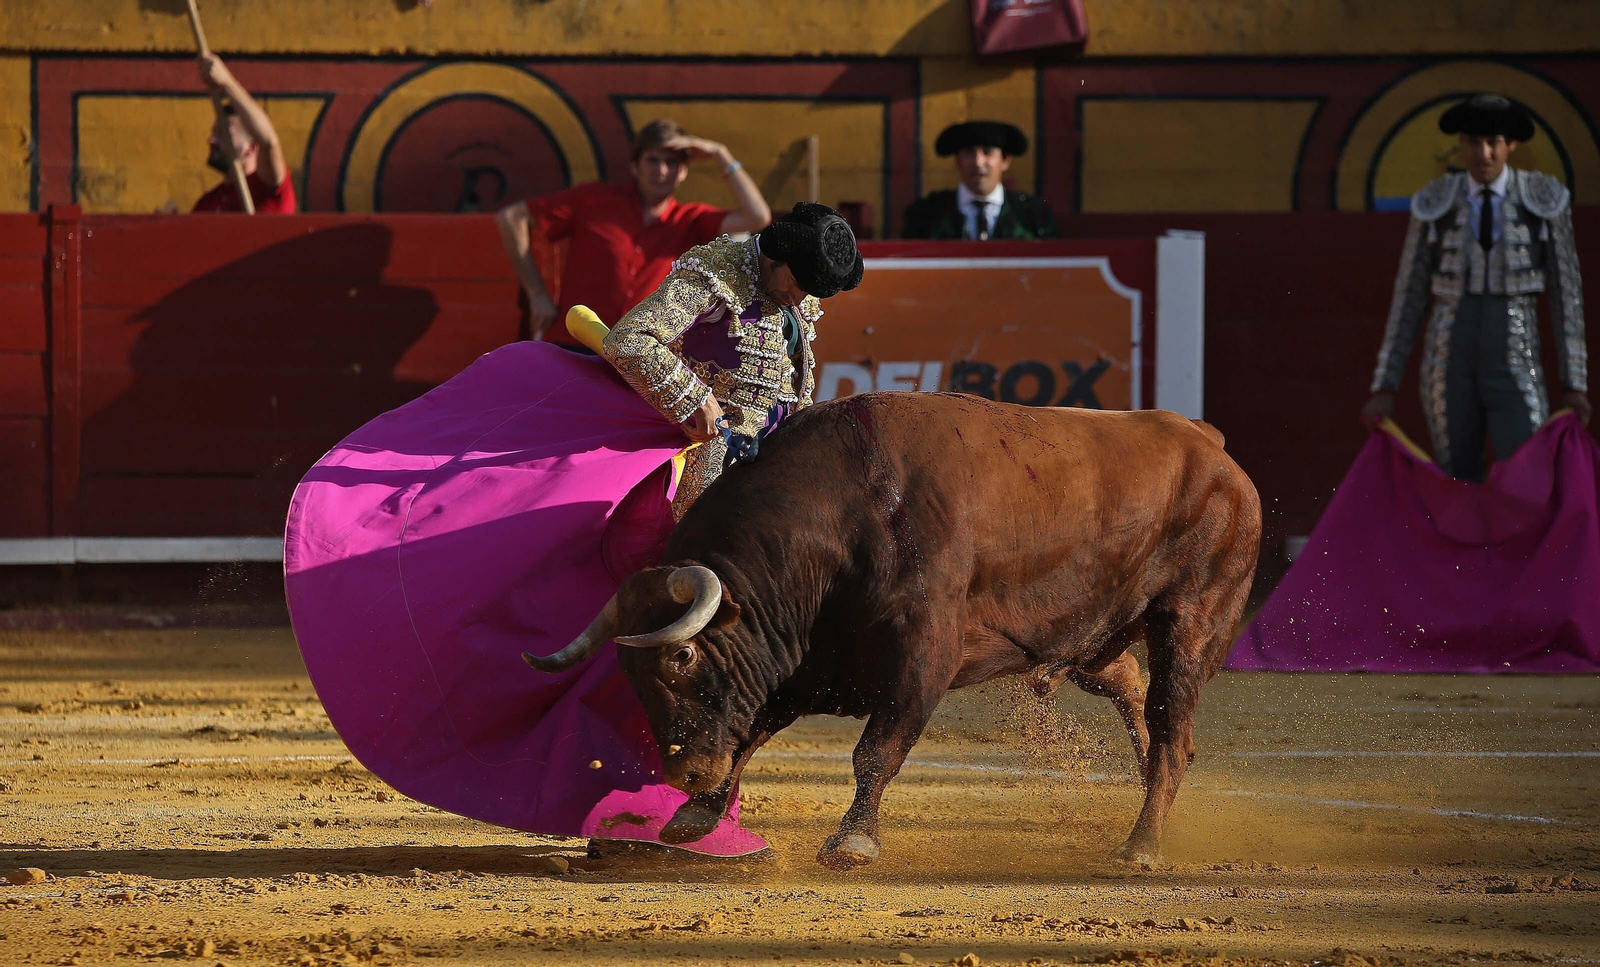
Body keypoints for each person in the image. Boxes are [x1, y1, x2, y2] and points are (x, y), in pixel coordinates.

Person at [283, 204, 863, 857]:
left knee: (723, 649)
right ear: (775, 256)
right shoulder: (715, 273)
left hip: (750, 496)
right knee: (677, 644)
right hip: (685, 488)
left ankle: (679, 805)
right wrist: (687, 396)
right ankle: (638, 804)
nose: (805, 297)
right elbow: (634, 339)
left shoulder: (797, 295)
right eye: (799, 282)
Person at [1361, 93, 1589, 481]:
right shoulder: (1435, 203)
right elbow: (1409, 296)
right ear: (1461, 144)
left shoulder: (1545, 200)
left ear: (1510, 144)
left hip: (1515, 355)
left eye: (1493, 142)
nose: (1483, 153)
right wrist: (1385, 384)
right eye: (1473, 142)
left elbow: (1567, 295)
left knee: (1524, 474)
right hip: (1450, 356)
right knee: (1456, 476)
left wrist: (1575, 383)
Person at [494, 119, 773, 351]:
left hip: (643, 353)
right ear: (635, 166)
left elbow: (758, 217)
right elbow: (511, 218)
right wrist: (537, 294)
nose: (662, 170)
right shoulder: (593, 200)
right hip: (575, 344)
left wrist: (720, 153)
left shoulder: (691, 219)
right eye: (653, 160)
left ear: (683, 172)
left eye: (672, 162)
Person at [901, 120, 1058, 240]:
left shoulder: (1033, 215)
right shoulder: (927, 215)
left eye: (988, 152)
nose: (978, 162)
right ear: (958, 161)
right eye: (969, 153)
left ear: (1005, 161)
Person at [190, 54, 296, 214]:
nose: (211, 140)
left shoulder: (267, 189)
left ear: (252, 147)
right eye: (214, 133)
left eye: (223, 133)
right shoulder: (207, 204)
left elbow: (268, 141)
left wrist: (226, 81)